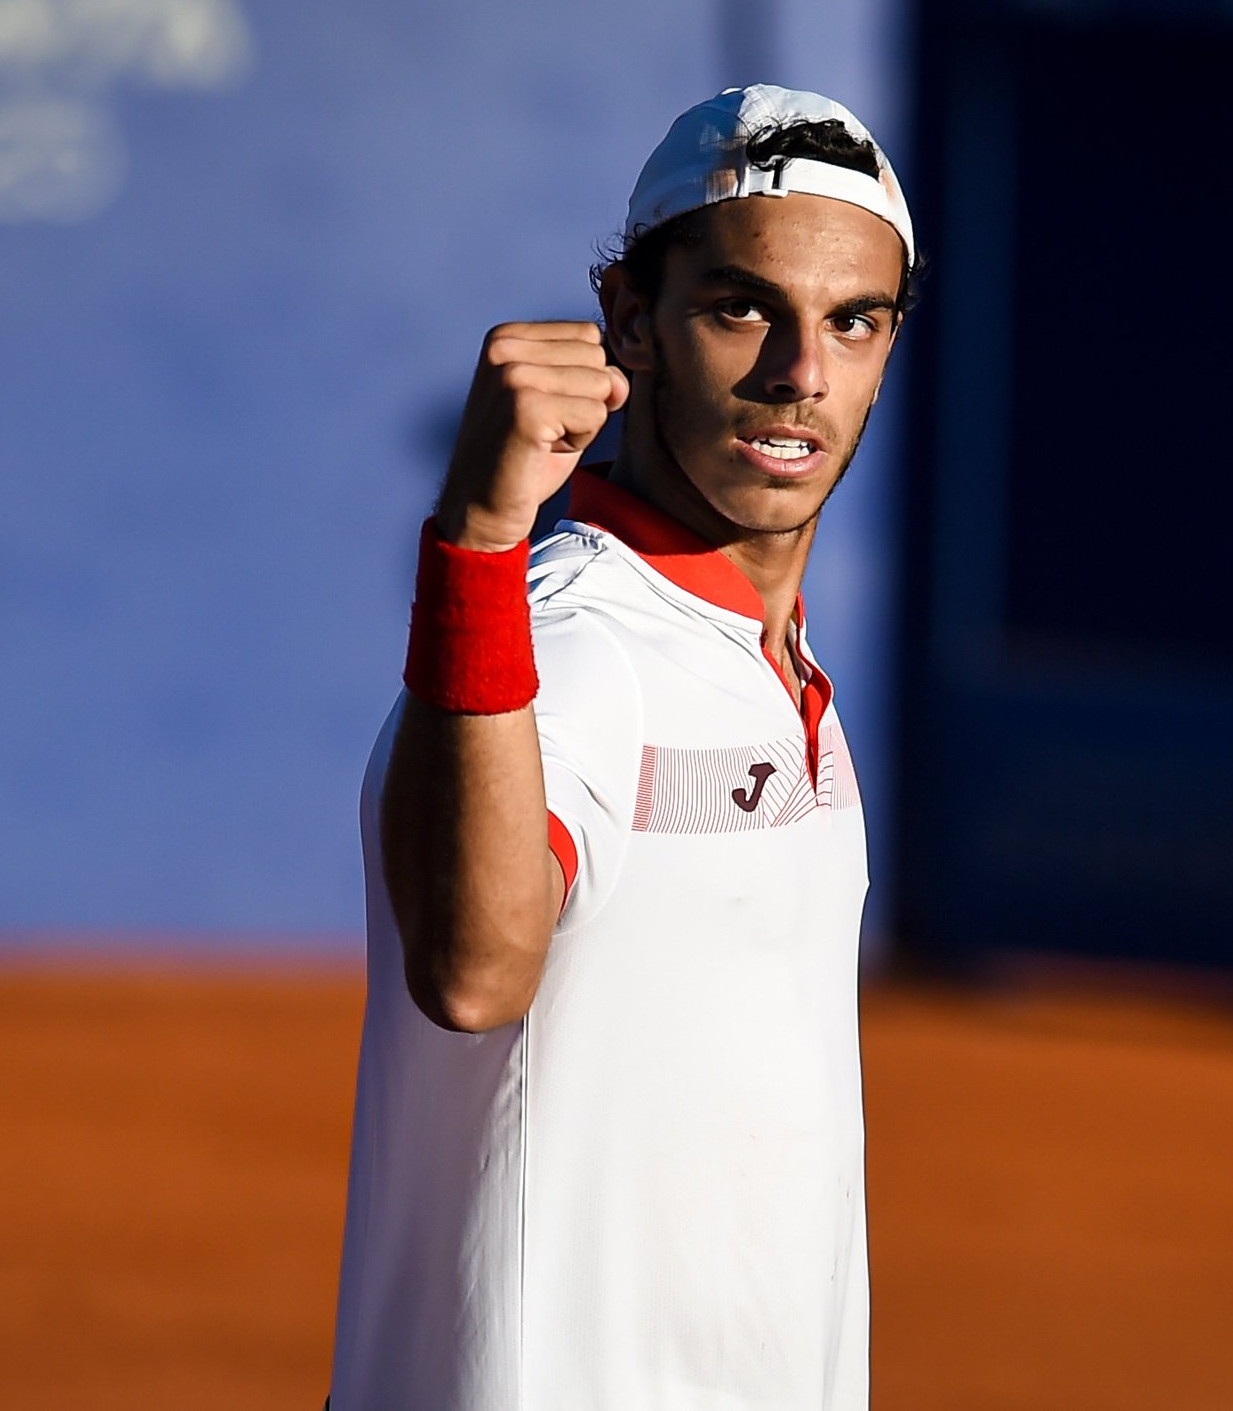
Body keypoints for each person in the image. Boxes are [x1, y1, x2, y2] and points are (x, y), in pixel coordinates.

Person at [327, 84, 917, 1411]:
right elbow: (476, 971)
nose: (801, 375)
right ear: (631, 323)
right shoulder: (574, 645)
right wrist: (478, 545)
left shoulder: (774, 664)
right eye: (740, 307)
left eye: (854, 323)